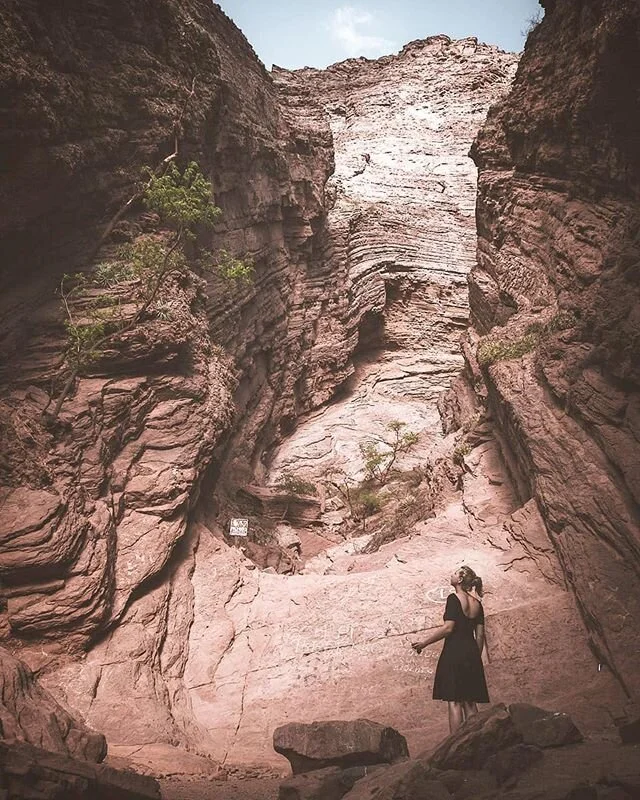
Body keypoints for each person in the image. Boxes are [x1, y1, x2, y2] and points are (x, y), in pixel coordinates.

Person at [412, 565, 489, 733]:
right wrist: (475, 658)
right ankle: (478, 740)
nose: (451, 575)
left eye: (455, 573)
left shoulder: (453, 599)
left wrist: (424, 643)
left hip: (454, 652)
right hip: (471, 653)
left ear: (460, 579)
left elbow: (448, 628)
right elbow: (480, 635)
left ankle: (456, 746)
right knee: (470, 701)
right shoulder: (477, 604)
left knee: (454, 701)